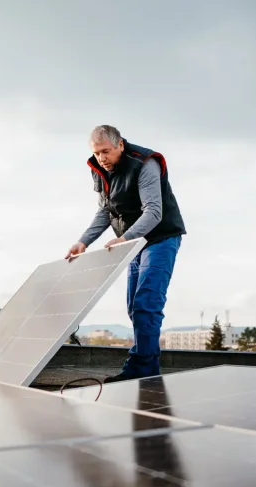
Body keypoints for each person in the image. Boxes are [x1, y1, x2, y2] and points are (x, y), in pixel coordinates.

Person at [66, 125, 186, 383]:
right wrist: (83, 241)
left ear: (120, 144)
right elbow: (106, 211)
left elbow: (154, 212)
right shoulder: (100, 170)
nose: (101, 158)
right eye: (97, 153)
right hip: (132, 243)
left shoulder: (145, 164)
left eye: (106, 152)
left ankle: (139, 370)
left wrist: (123, 239)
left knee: (147, 303)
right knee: (135, 306)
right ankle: (147, 372)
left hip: (160, 238)